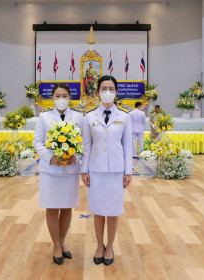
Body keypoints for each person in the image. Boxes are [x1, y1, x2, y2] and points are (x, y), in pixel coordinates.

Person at [81, 75, 132, 266]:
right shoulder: (89, 117)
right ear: (97, 92)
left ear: (116, 92)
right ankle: (99, 245)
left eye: (111, 89)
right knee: (98, 211)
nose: (107, 92)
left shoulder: (124, 117)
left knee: (113, 211)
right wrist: (84, 171)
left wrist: (128, 172)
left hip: (117, 172)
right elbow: (87, 146)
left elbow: (128, 147)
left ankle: (110, 246)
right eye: (104, 88)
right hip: (96, 170)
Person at [33, 83, 84, 265]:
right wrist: (49, 158)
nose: (61, 99)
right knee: (52, 207)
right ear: (52, 98)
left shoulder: (78, 116)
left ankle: (62, 242)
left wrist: (76, 158)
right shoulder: (44, 117)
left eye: (64, 95)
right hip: (51, 171)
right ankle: (56, 245)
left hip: (70, 170)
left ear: (70, 97)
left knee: (67, 207)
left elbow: (84, 141)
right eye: (57, 96)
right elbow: (37, 141)